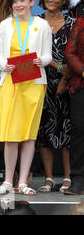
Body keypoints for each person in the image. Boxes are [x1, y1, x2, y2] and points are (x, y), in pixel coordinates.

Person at [0, 0, 52, 196]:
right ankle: (8, 181)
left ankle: (24, 182)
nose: (19, 5)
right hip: (10, 82)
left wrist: (40, 61)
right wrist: (3, 66)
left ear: (32, 2)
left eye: (23, 1)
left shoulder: (42, 25)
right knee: (10, 134)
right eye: (15, 2)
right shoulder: (5, 25)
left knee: (28, 135)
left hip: (34, 83)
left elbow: (48, 55)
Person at [36, 0, 75, 194]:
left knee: (67, 129)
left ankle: (68, 177)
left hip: (68, 83)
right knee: (44, 130)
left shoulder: (72, 22)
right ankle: (49, 178)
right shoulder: (36, 22)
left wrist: (65, 77)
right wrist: (57, 66)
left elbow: (77, 52)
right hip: (40, 81)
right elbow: (33, 51)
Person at [64, 16, 84, 196]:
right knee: (79, 131)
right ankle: (77, 180)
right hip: (81, 84)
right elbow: (70, 52)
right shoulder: (80, 22)